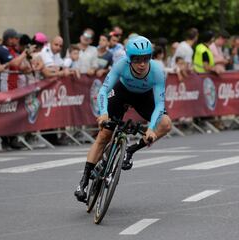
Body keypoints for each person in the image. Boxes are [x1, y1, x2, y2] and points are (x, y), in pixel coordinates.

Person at [74, 36, 172, 202]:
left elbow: (160, 104)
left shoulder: (156, 72)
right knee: (105, 134)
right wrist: (103, 113)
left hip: (144, 97)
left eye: (146, 59)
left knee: (165, 123)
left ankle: (130, 150)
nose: (142, 64)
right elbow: (103, 91)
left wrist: (150, 128)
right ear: (129, 58)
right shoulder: (121, 64)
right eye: (137, 59)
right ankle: (82, 182)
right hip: (122, 93)